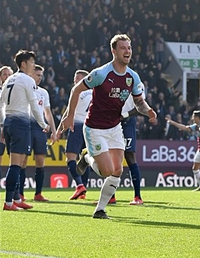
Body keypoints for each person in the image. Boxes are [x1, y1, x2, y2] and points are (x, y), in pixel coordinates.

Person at [56, 34, 157, 219]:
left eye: (129, 47)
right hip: (94, 128)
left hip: (115, 128)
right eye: (123, 48)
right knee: (107, 171)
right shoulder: (101, 73)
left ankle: (100, 210)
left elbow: (139, 101)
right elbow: (76, 89)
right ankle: (86, 158)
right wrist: (70, 116)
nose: (127, 51)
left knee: (118, 170)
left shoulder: (132, 76)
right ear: (114, 51)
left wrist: (148, 110)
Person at [0, 50, 50, 211]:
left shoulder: (9, 80)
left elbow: (0, 104)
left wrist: (2, 125)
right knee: (16, 164)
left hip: (9, 122)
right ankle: (8, 203)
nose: (33, 66)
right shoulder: (27, 80)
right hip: (20, 123)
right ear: (23, 64)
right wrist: (43, 124)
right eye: (31, 63)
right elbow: (35, 106)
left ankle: (16, 198)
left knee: (20, 162)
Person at [23, 65, 57, 202]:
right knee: (23, 160)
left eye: (41, 76)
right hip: (26, 126)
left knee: (40, 160)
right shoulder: (24, 90)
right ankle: (19, 194)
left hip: (40, 128)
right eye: (38, 75)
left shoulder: (44, 92)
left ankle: (38, 194)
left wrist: (54, 131)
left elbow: (47, 112)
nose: (40, 78)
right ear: (30, 75)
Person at [63, 70, 92, 200]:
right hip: (90, 128)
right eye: (75, 78)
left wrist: (58, 131)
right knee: (85, 160)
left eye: (78, 78)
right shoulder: (95, 93)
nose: (75, 80)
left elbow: (69, 113)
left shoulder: (77, 91)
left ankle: (80, 185)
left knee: (70, 158)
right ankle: (83, 191)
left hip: (77, 126)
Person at [0, 66, 14, 181]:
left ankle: (15, 192)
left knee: (13, 158)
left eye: (9, 74)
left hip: (11, 126)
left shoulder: (16, 93)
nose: (7, 76)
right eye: (5, 74)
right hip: (1, 127)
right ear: (0, 77)